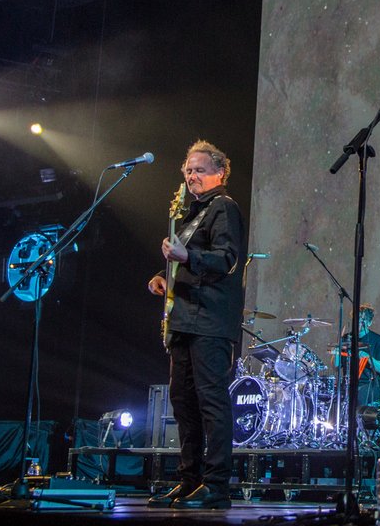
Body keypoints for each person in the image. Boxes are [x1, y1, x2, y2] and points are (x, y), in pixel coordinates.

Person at [146, 140, 247, 509]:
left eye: (199, 169)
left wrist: (186, 255)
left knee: (211, 402)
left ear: (220, 172)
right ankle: (189, 480)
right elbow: (187, 260)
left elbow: (226, 259)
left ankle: (217, 485)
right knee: (183, 403)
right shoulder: (193, 213)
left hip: (210, 320)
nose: (191, 176)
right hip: (184, 320)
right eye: (188, 170)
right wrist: (164, 275)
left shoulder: (224, 207)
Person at [336, 303, 380, 408]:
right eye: (355, 319)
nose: (357, 323)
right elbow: (336, 365)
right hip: (348, 384)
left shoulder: (378, 340)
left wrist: (367, 357)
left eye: (361, 320)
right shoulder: (346, 339)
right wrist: (338, 346)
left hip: (369, 385)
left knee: (359, 397)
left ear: (369, 322)